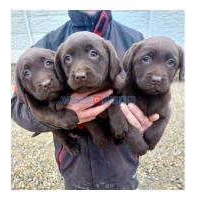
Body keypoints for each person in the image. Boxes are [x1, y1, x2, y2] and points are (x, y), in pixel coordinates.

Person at [11, 10, 159, 190]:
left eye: (94, 54)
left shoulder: (134, 40)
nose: (80, 72)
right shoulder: (48, 44)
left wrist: (144, 117)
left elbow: (153, 93)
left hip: (121, 165)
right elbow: (15, 106)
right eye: (68, 58)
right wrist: (57, 117)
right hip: (75, 167)